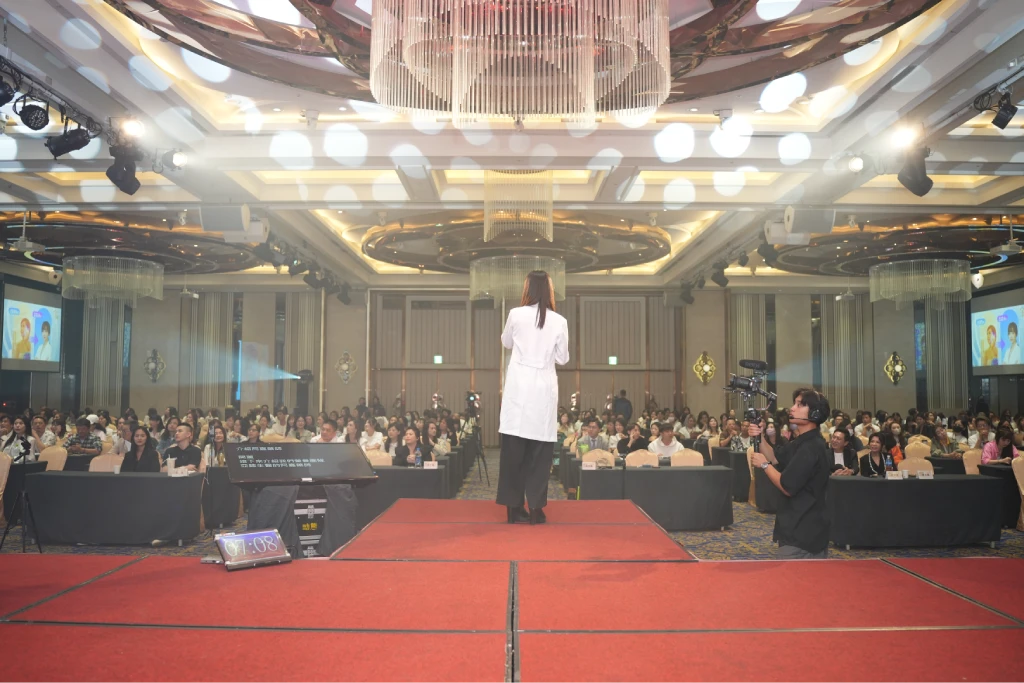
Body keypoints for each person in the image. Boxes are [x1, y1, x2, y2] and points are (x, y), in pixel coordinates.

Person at [497, 270, 570, 526]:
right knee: (540, 457)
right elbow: (563, 358)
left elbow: (506, 342)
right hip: (543, 392)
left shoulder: (515, 314)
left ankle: (513, 509)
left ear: (527, 288)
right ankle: (537, 509)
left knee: (513, 456)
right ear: (549, 290)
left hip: (518, 391)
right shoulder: (559, 321)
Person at [749, 388, 832, 559]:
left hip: (803, 532)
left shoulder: (811, 447)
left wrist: (764, 465)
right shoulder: (801, 441)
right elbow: (775, 457)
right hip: (797, 524)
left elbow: (787, 486)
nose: (792, 408)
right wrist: (760, 436)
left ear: (815, 414)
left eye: (800, 405)